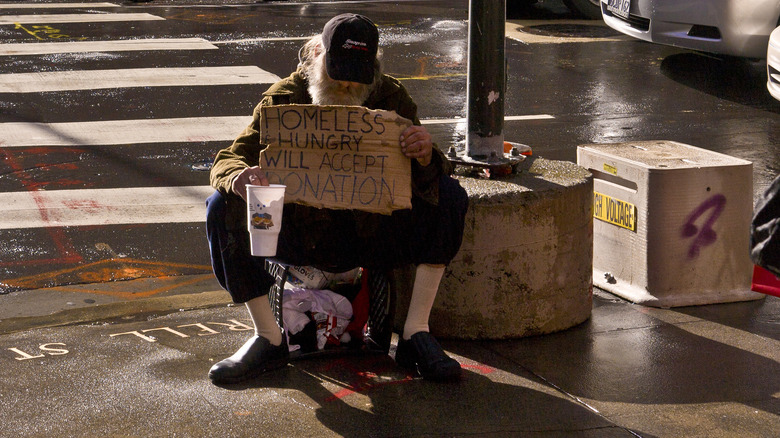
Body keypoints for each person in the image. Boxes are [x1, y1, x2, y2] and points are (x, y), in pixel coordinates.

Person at [205, 13, 468, 384]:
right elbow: (227, 159)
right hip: (302, 236)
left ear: (374, 68)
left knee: (450, 196)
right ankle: (268, 337)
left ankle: (415, 334)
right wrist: (238, 178)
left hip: (371, 234)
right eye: (337, 70)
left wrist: (425, 153)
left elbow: (428, 174)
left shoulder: (391, 96)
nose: (344, 82)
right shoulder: (285, 97)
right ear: (317, 54)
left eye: (355, 74)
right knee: (220, 206)